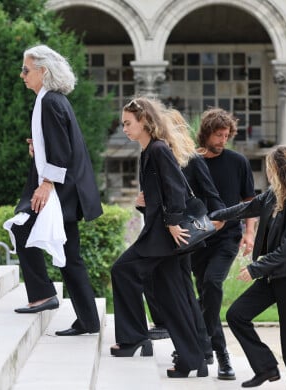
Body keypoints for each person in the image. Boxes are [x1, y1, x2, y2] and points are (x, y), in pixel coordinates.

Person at [110, 97, 208, 378]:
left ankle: (133, 338)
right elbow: (161, 192)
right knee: (172, 298)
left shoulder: (158, 149)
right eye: (123, 123)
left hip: (162, 237)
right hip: (160, 235)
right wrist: (144, 201)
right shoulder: (148, 152)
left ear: (144, 121)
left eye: (128, 123)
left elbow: (176, 187)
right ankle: (195, 360)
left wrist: (174, 222)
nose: (124, 128)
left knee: (123, 270)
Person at [10, 44, 101, 337]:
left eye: (26, 69)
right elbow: (60, 144)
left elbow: (62, 149)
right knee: (69, 255)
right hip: (66, 188)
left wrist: (46, 184)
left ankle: (44, 295)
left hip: (60, 190)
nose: (21, 74)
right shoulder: (51, 100)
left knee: (22, 226)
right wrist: (38, 151)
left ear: (42, 71)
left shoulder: (49, 102)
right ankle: (86, 319)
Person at [210, 145, 286, 389]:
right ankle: (266, 367)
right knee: (236, 315)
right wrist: (215, 215)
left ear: (277, 170)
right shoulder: (271, 196)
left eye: (269, 168)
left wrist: (256, 269)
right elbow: (245, 208)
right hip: (272, 279)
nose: (267, 173)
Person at [144, 108, 226, 367]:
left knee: (183, 293)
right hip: (166, 237)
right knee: (175, 290)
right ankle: (195, 346)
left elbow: (213, 198)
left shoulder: (191, 159)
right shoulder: (162, 157)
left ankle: (200, 348)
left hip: (183, 237)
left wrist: (213, 223)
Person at [190, 107, 257, 380]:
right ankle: (204, 345)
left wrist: (249, 233)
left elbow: (250, 202)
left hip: (227, 238)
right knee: (204, 293)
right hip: (196, 239)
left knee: (213, 284)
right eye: (218, 135)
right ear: (206, 133)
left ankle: (220, 353)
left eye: (226, 135)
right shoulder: (190, 161)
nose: (223, 140)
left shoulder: (238, 162)